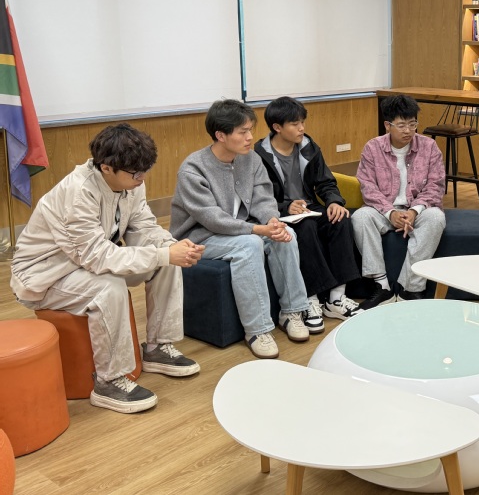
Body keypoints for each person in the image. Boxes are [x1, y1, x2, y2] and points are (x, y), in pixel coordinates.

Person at [11, 124, 201, 414]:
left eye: (145, 171)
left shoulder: (131, 182)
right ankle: (108, 381)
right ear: (107, 168)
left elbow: (144, 227)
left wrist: (171, 246)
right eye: (135, 174)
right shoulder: (77, 192)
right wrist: (163, 254)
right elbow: (97, 257)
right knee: (109, 287)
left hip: (85, 263)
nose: (142, 179)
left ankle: (157, 348)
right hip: (45, 276)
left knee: (167, 264)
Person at [170, 99, 321, 360]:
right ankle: (258, 330)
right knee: (250, 244)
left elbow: (264, 197)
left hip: (240, 229)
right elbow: (212, 219)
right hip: (201, 237)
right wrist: (257, 230)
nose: (250, 137)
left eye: (250, 130)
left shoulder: (250, 159)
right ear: (221, 135)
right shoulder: (193, 168)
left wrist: (273, 221)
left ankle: (292, 311)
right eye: (243, 132)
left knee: (286, 234)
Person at [254, 96, 361, 320]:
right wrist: (285, 207)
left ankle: (336, 298)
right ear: (277, 127)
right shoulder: (258, 155)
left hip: (308, 208)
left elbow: (326, 182)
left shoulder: (309, 147)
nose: (302, 128)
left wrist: (334, 201)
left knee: (341, 219)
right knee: (307, 227)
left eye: (302, 122)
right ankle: (310, 299)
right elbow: (257, 197)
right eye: (295, 124)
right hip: (279, 213)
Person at [352, 94, 446, 308]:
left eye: (413, 124)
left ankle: (410, 288)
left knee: (436, 218)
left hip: (419, 210)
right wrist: (390, 213)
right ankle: (382, 285)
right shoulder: (372, 148)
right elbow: (368, 186)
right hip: (383, 210)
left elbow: (436, 185)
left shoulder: (429, 146)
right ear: (388, 125)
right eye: (401, 125)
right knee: (360, 217)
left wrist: (414, 211)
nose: (408, 131)